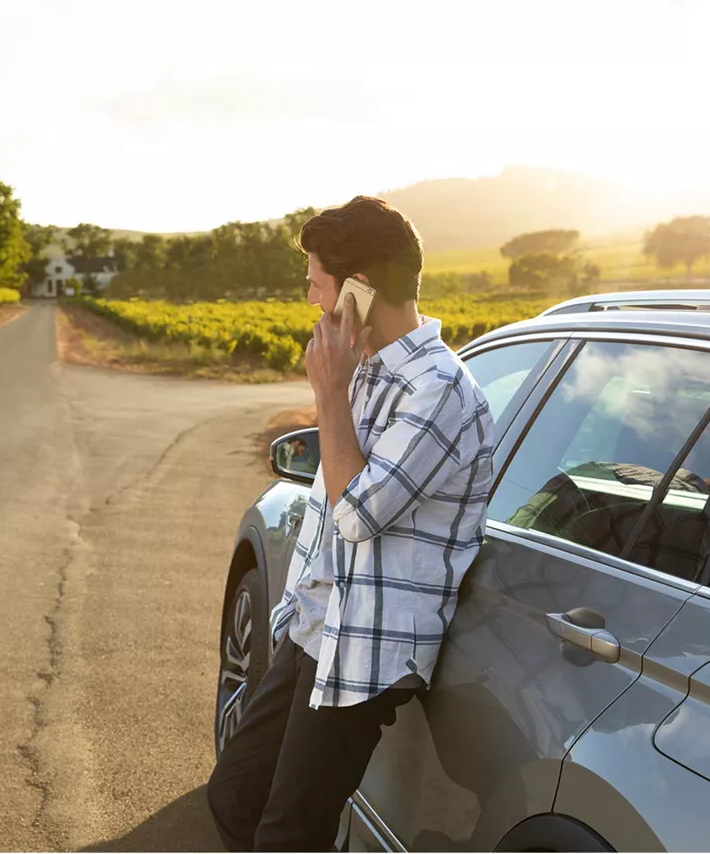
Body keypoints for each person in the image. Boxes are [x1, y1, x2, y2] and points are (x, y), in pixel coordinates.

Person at [207, 196, 496, 851]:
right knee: (233, 796)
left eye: (316, 282)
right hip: (317, 627)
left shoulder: (440, 391)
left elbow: (359, 513)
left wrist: (329, 396)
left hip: (364, 649)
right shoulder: (368, 369)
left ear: (359, 291)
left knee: (288, 835)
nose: (310, 298)